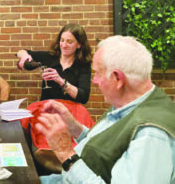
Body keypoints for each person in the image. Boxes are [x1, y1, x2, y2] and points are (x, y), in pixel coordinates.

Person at [36, 36, 175, 183]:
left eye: (97, 73)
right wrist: (73, 126)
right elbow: (105, 148)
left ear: (117, 78)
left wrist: (66, 154)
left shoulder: (150, 135)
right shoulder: (131, 103)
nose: (94, 80)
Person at [16, 23, 92, 104]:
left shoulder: (83, 65)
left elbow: (84, 98)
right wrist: (24, 56)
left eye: (69, 42)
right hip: (47, 111)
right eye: (62, 40)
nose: (64, 45)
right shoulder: (50, 57)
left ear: (79, 44)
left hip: (69, 112)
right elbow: (21, 52)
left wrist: (62, 82)